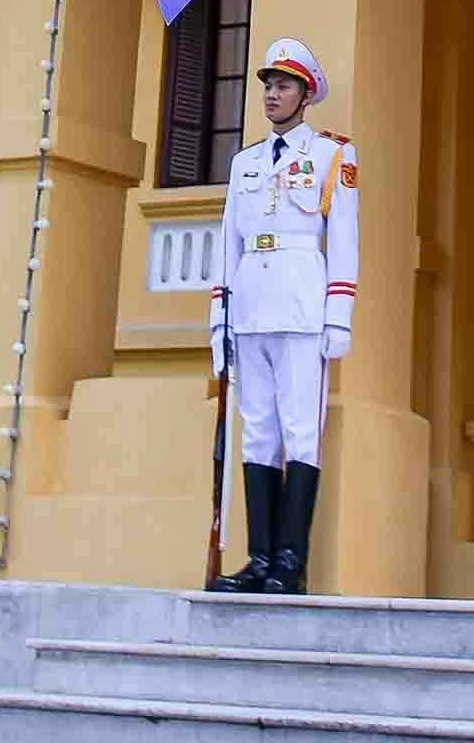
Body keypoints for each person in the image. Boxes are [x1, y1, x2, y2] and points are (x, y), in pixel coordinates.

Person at [209, 37, 357, 594]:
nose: (272, 94)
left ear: (306, 95)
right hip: (250, 302)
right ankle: (261, 560)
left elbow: (343, 238)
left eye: (284, 86)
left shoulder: (331, 155)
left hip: (301, 304)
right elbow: (229, 243)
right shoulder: (245, 162)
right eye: (268, 85)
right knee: (258, 435)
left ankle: (292, 562)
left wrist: (338, 313)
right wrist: (219, 318)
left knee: (301, 432)